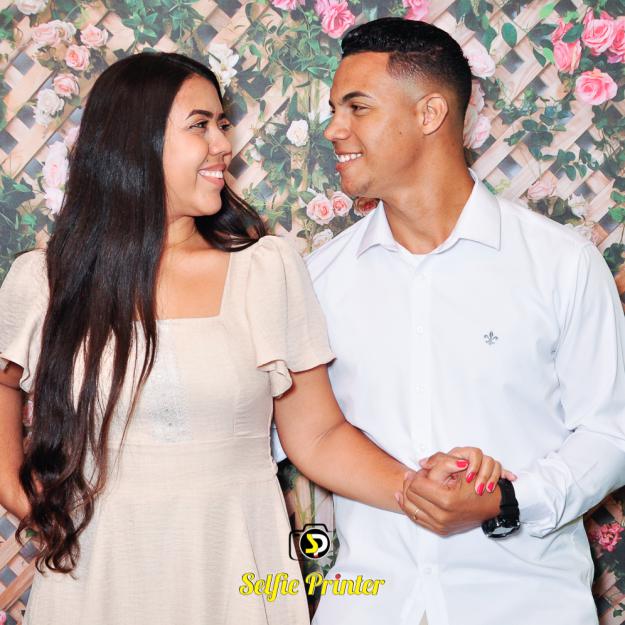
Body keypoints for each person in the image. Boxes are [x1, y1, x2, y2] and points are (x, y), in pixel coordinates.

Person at [0, 52, 505, 625]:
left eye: (221, 123)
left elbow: (318, 435)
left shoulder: (265, 270)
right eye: (200, 125)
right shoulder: (44, 280)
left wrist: (413, 488)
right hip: (96, 580)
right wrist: (26, 501)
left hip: (239, 574)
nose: (223, 144)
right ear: (132, 141)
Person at [304, 17, 625, 625]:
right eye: (334, 109)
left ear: (430, 114)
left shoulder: (561, 264)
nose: (334, 129)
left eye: (357, 108)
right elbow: (303, 435)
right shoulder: (317, 281)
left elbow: (611, 434)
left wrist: (507, 501)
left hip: (525, 606)